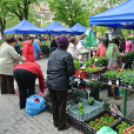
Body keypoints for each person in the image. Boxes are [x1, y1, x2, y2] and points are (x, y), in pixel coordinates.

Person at [46, 35, 75, 130]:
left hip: (50, 82)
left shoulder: (52, 54)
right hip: (60, 83)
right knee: (62, 104)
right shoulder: (67, 55)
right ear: (66, 45)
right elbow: (70, 72)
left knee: (54, 104)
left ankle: (56, 123)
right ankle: (61, 125)